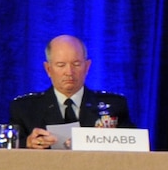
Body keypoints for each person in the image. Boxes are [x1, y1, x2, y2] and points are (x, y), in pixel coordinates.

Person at [9, 34, 137, 149]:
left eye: (76, 64)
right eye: (61, 65)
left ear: (87, 67)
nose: (69, 72)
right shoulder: (25, 109)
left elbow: (135, 147)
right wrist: (27, 143)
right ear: (48, 69)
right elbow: (6, 149)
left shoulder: (113, 107)